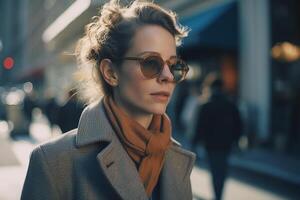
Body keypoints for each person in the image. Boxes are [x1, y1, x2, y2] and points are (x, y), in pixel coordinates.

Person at [21, 1, 195, 199]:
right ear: (111, 73)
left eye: (174, 66)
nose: (168, 76)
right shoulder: (53, 162)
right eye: (151, 63)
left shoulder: (176, 158)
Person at [192, 73, 242, 200]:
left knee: (215, 171)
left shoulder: (206, 105)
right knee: (222, 171)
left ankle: (217, 195)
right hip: (226, 144)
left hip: (211, 145)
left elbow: (200, 126)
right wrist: (237, 141)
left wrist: (195, 143)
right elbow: (239, 124)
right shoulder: (230, 104)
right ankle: (219, 194)